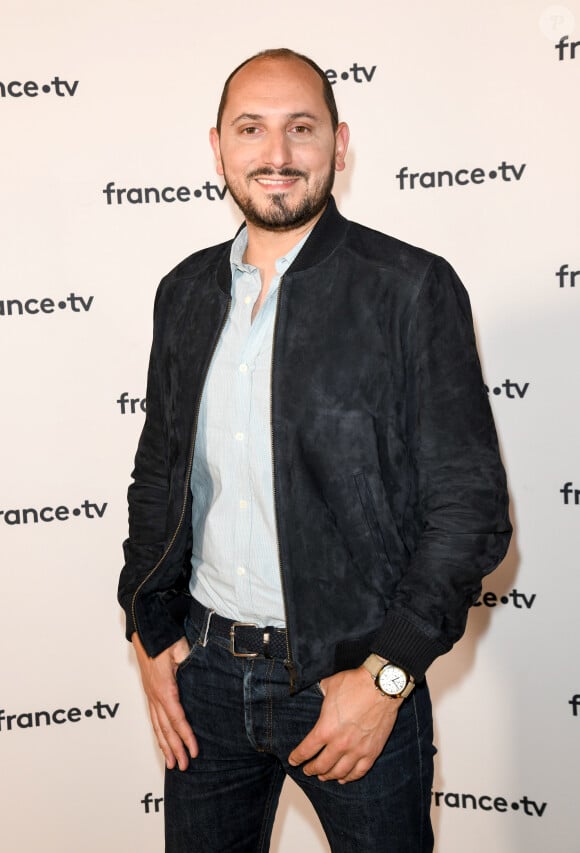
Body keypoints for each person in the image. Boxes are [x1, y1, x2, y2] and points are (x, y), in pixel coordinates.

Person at [118, 48, 511, 852]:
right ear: (218, 148)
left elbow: (468, 510)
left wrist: (385, 676)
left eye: (301, 129)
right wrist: (148, 629)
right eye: (251, 130)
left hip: (350, 684)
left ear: (339, 141)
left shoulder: (409, 287)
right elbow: (158, 472)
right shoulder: (185, 292)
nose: (278, 155)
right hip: (208, 680)